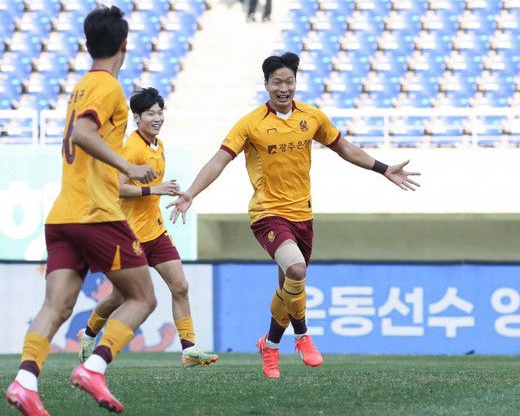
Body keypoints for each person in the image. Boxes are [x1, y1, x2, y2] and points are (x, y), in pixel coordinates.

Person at [167, 52, 421, 379]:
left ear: (296, 82)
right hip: (268, 214)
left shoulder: (312, 117)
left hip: (303, 215)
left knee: (289, 289)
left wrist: (383, 169)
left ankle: (270, 346)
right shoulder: (250, 124)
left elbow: (345, 148)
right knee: (297, 270)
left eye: (289, 81)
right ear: (266, 85)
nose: (284, 88)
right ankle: (303, 336)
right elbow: (220, 160)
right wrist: (191, 192)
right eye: (277, 82)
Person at [5, 5, 158, 416]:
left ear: (88, 45)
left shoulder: (82, 86)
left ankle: (25, 382)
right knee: (143, 297)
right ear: (124, 45)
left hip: (63, 216)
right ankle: (94, 367)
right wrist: (128, 166)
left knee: (56, 306)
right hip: (96, 212)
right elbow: (82, 132)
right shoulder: (107, 87)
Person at [77, 87, 219, 367]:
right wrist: (155, 189)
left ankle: (189, 349)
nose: (157, 118)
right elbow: (119, 188)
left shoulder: (158, 145)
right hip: (129, 236)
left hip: (155, 232)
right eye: (150, 113)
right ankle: (89, 333)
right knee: (119, 297)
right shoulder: (131, 147)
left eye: (159, 112)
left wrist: (172, 195)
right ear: (137, 117)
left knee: (180, 286)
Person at [64, 273, 177, 354]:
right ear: (94, 293)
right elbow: (70, 352)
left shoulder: (127, 315)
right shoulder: (81, 319)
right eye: (106, 282)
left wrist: (164, 343)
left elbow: (138, 351)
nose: (113, 285)